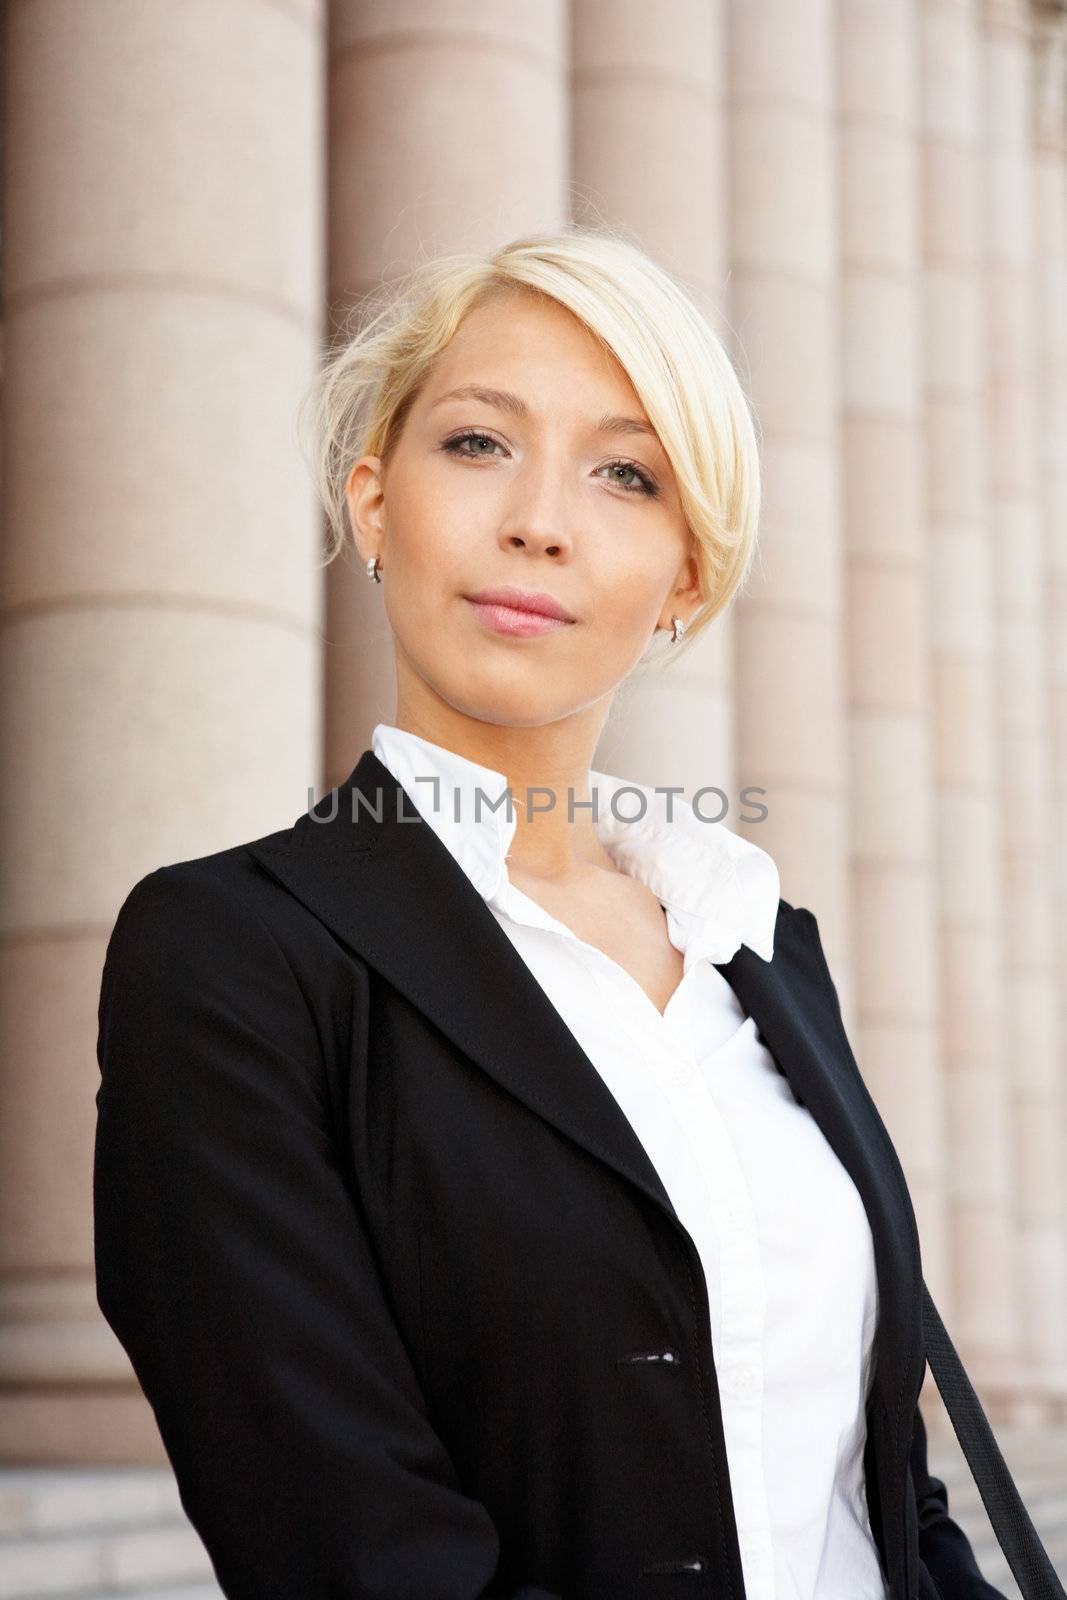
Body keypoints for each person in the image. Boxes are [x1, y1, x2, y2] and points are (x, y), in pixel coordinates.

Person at [93, 228, 1008, 1600]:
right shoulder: (231, 955)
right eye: (476, 443)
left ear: (686, 577)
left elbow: (870, 1479)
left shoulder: (758, 943)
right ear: (372, 500)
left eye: (625, 472)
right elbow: (350, 1550)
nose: (540, 518)